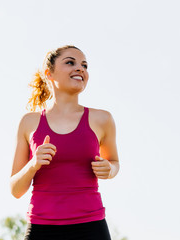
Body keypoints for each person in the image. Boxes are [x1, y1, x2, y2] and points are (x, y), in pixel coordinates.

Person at [10, 45, 119, 240]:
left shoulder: (103, 119)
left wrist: (109, 169)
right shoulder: (29, 122)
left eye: (84, 65)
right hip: (41, 228)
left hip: (91, 226)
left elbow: (114, 163)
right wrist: (33, 165)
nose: (80, 69)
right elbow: (15, 190)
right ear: (49, 73)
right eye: (70, 62)